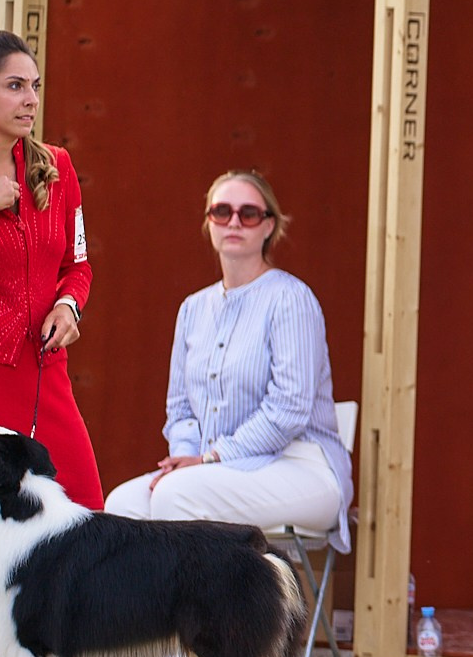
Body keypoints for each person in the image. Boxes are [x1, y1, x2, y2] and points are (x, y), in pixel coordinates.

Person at [0, 31, 208, 657]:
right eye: (14, 86)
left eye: (35, 85)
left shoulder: (59, 170)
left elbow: (76, 263)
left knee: (92, 524)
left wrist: (71, 305)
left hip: (44, 378)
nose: (30, 100)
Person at [103, 171, 351, 558]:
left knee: (176, 497)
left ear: (269, 225)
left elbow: (289, 410)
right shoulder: (193, 309)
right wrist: (184, 458)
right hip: (213, 471)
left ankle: (202, 617)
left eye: (248, 213)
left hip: (301, 469)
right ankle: (160, 620)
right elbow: (180, 408)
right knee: (122, 507)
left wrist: (208, 459)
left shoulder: (291, 299)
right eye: (222, 211)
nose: (234, 222)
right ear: (209, 222)